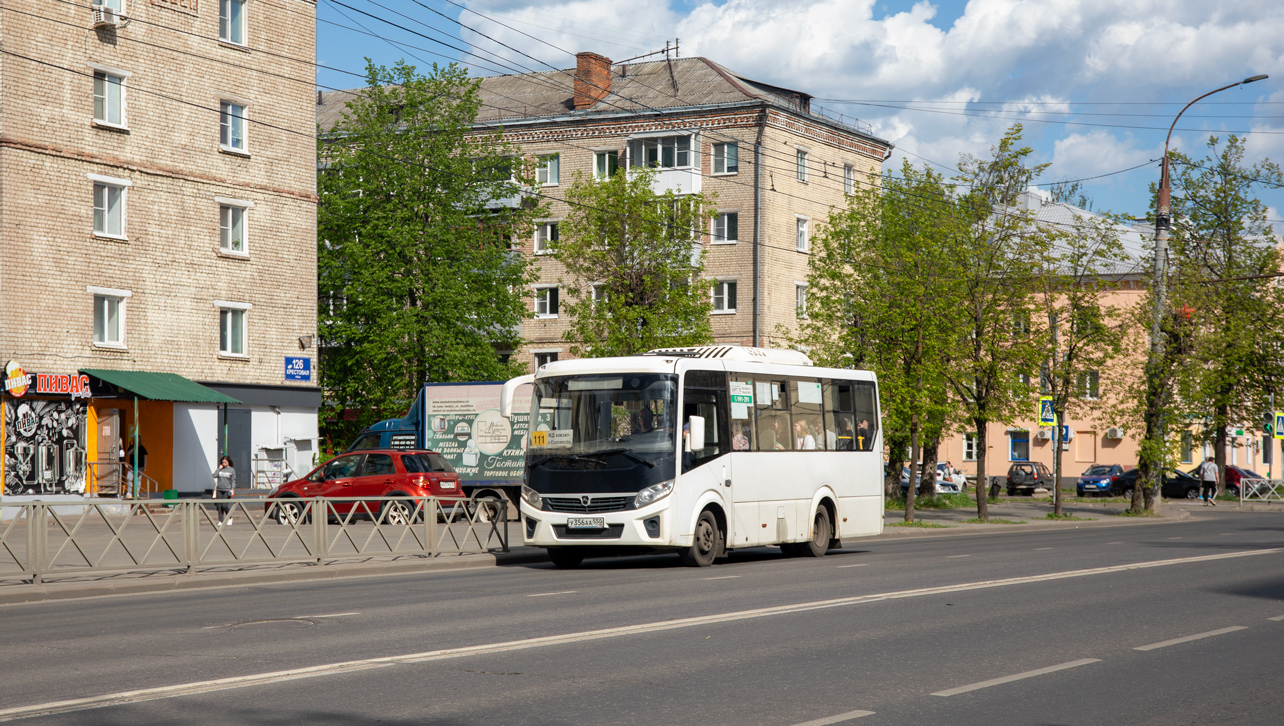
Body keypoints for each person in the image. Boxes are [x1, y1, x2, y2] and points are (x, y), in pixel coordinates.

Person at [213, 455, 236, 525]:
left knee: (224, 505)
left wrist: (232, 489)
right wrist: (219, 468)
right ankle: (221, 520)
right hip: (219, 489)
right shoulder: (221, 469)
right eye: (223, 462)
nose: (224, 464)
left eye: (225, 462)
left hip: (227, 490)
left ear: (228, 462)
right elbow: (214, 475)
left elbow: (233, 480)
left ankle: (230, 518)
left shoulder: (231, 470)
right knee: (219, 506)